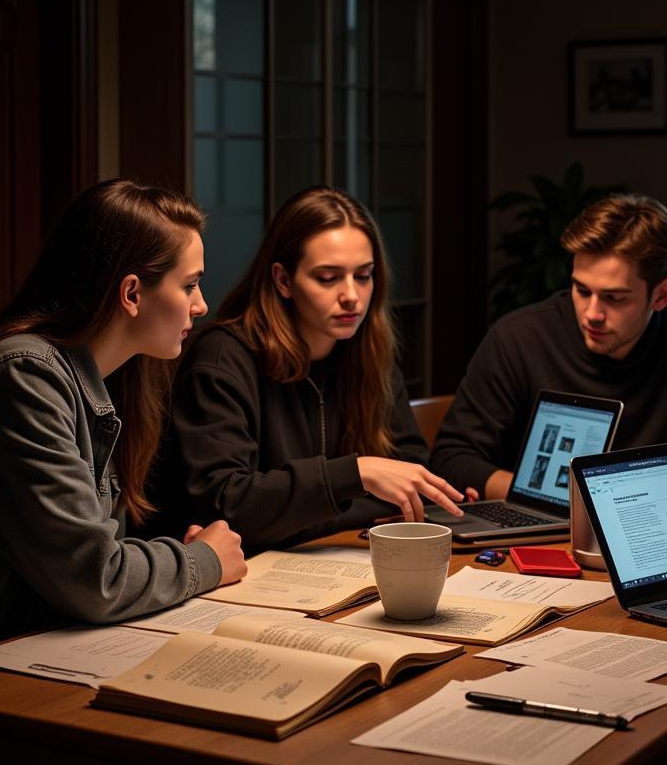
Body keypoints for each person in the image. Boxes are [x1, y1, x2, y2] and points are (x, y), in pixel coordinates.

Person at [0, 179, 247, 669]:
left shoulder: (105, 375)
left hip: (23, 650)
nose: (201, 305)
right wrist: (203, 562)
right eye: (190, 285)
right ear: (132, 293)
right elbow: (96, 580)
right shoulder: (22, 375)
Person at [149, 186, 464, 549]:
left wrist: (301, 511)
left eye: (363, 275)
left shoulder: (366, 349)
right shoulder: (223, 359)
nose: (351, 295)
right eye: (328, 278)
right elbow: (228, 506)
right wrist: (356, 475)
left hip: (337, 558)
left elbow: (409, 476)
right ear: (283, 280)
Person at [432, 193, 667, 499]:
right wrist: (560, 499)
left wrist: (618, 498)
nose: (592, 314)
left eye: (614, 298)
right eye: (581, 290)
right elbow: (451, 460)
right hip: (541, 534)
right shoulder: (519, 337)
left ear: (662, 294)